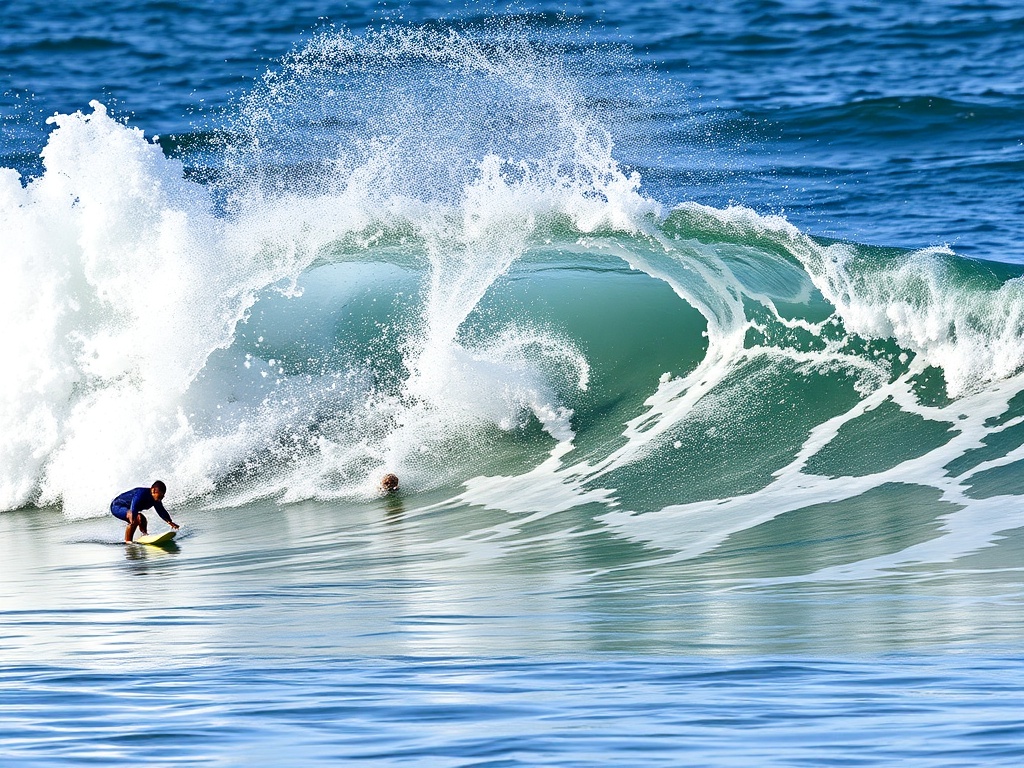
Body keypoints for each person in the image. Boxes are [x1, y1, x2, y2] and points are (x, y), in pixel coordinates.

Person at [110, 480, 179, 543]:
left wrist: (170, 522)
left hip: (128, 508)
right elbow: (134, 505)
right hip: (117, 506)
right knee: (136, 517)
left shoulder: (156, 499)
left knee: (142, 519)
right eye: (160, 495)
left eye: (163, 496)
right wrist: (132, 519)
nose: (161, 498)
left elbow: (161, 511)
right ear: (153, 490)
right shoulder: (141, 494)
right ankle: (128, 542)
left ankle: (144, 535)